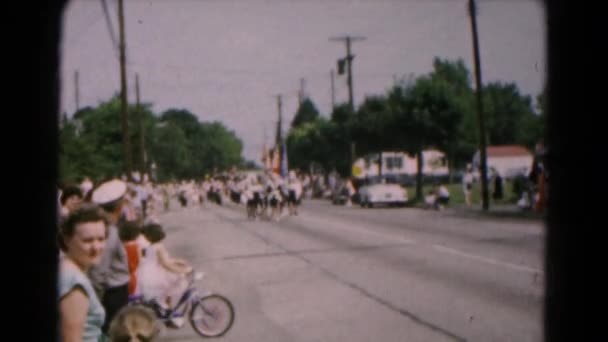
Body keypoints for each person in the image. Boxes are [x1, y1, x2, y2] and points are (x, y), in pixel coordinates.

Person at [58, 203, 108, 342]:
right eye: (87, 240)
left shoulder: (65, 268)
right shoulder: (74, 284)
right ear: (67, 240)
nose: (96, 247)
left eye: (101, 239)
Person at [88, 179, 131, 337]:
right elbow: (100, 270)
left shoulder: (107, 227)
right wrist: (95, 302)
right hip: (113, 293)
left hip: (112, 291)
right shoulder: (109, 232)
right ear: (119, 207)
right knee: (116, 334)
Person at [137, 223, 192, 313]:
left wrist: (176, 261)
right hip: (156, 274)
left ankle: (167, 309)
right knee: (176, 280)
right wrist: (183, 270)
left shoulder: (150, 247)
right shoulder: (159, 247)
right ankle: (168, 310)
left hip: (148, 273)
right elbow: (165, 264)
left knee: (166, 292)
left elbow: (158, 260)